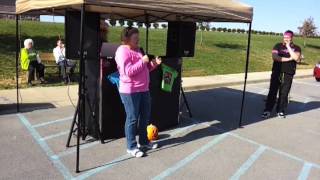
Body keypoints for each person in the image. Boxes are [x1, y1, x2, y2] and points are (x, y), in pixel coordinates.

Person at [115, 27, 162, 158]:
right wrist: (142, 61)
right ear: (127, 39)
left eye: (138, 38)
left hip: (144, 89)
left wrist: (154, 64)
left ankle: (144, 142)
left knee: (145, 116)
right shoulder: (122, 51)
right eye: (135, 38)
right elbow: (128, 72)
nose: (138, 40)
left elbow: (144, 69)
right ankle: (131, 147)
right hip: (130, 91)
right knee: (132, 118)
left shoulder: (138, 50)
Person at [262, 30, 301, 118]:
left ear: (292, 38)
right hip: (277, 71)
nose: (286, 39)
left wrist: (288, 47)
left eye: (288, 37)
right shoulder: (278, 46)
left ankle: (280, 110)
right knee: (272, 91)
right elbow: (275, 57)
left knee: (284, 93)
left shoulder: (297, 48)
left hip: (288, 73)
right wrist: (289, 59)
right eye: (285, 37)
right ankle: (267, 109)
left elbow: (296, 58)